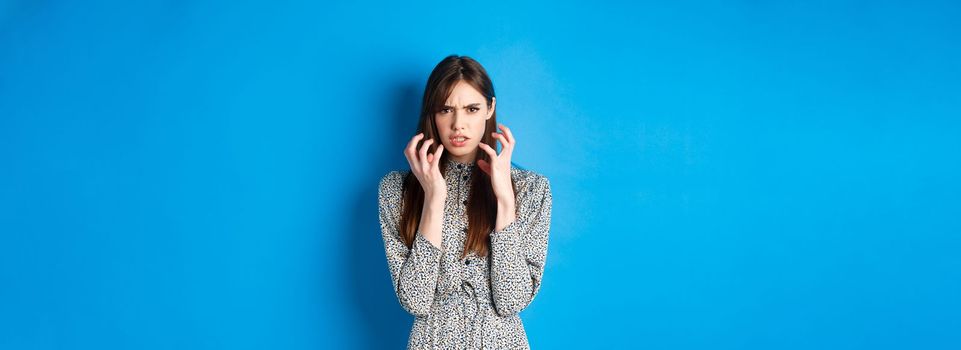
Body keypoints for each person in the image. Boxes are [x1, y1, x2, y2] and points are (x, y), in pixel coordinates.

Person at [377, 54, 553, 349]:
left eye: (472, 109)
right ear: (431, 114)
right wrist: (434, 197)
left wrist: (505, 202)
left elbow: (512, 300)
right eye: (445, 109)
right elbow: (416, 301)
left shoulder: (532, 189)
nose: (458, 124)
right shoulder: (397, 190)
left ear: (490, 109)